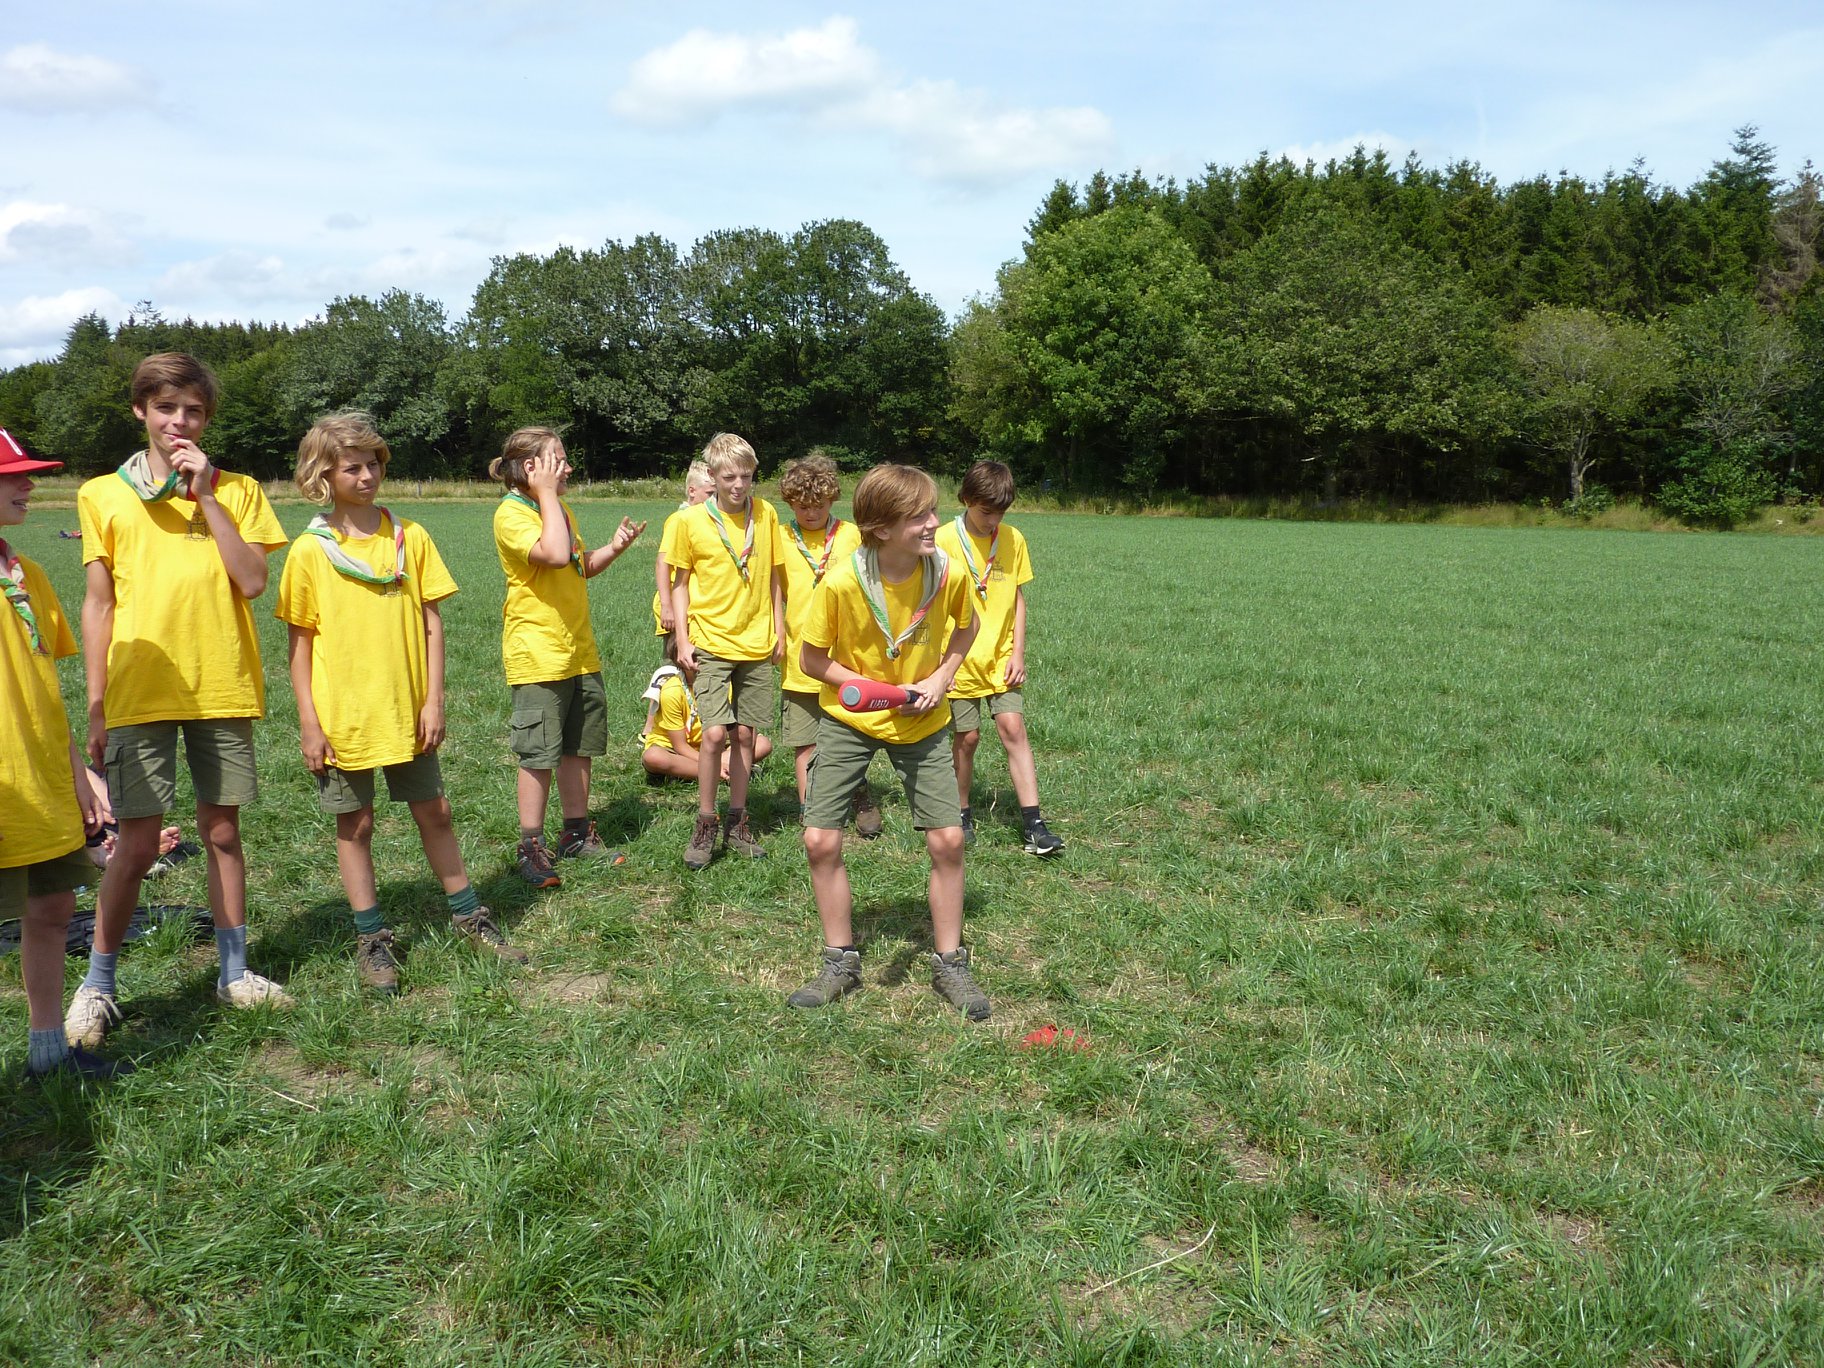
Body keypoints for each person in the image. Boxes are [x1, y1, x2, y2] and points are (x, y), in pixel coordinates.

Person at [67, 353, 292, 1052]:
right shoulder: (102, 495)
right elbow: (99, 605)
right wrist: (98, 704)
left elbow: (252, 581)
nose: (179, 422)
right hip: (140, 689)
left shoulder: (241, 490)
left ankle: (234, 973)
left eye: (193, 411)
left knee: (222, 831)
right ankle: (98, 985)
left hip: (220, 682)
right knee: (135, 842)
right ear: (141, 411)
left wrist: (208, 499)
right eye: (167, 409)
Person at [278, 413, 525, 993]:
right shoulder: (309, 553)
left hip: (408, 708)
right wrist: (310, 725)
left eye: (374, 465)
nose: (366, 476)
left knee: (434, 811)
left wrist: (433, 700)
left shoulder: (409, 537)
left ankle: (468, 915)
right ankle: (372, 939)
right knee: (356, 822)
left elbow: (433, 626)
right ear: (323, 475)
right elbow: (300, 647)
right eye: (352, 467)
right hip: (345, 718)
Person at [787, 463, 991, 1021]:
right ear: (880, 528)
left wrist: (941, 678)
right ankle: (840, 962)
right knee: (821, 841)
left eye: (931, 511)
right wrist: (861, 688)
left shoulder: (944, 571)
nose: (934, 523)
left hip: (922, 720)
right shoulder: (842, 582)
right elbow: (811, 659)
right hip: (852, 720)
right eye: (920, 516)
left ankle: (951, 963)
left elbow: (967, 628)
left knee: (949, 840)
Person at [0, 429, 130, 1080]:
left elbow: (46, 692)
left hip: (43, 781)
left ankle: (48, 1054)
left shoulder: (28, 574)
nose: (28, 485)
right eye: (13, 475)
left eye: (30, 473)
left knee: (52, 910)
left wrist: (81, 779)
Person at [492, 427, 645, 886]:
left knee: (579, 748)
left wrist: (614, 549)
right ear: (531, 469)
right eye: (558, 460)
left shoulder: (559, 510)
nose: (569, 468)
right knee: (539, 754)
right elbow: (555, 555)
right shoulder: (512, 514)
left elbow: (579, 565)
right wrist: (544, 495)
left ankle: (576, 835)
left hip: (578, 652)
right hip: (538, 655)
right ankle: (531, 846)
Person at [664, 433, 783, 869]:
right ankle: (706, 820)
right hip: (710, 640)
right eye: (729, 477)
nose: (739, 485)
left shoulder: (766, 513)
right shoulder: (689, 522)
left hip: (755, 641)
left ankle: (738, 820)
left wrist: (780, 629)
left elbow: (773, 576)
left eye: (747, 476)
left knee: (746, 735)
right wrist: (683, 638)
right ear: (712, 477)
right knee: (714, 734)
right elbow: (679, 583)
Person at [935, 460, 1064, 856]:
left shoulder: (1013, 540)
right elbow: (930, 603)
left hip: (1002, 658)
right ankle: (961, 812)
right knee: (967, 738)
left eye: (1001, 512)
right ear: (966, 500)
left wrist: (1018, 652)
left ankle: (1034, 825)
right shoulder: (941, 541)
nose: (993, 520)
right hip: (958, 660)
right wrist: (941, 667)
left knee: (1013, 729)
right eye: (985, 511)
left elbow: (1018, 600)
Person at [774, 453, 881, 835]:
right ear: (789, 503)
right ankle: (810, 814)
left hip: (846, 658)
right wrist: (775, 632)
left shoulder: (852, 535)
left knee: (850, 734)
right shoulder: (781, 536)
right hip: (801, 657)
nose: (810, 513)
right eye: (802, 507)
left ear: (832, 499)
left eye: (818, 506)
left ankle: (859, 794)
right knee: (805, 742)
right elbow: (772, 588)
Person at [638, 664, 773, 782]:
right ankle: (725, 772)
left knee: (763, 744)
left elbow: (749, 731)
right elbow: (680, 746)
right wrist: (717, 764)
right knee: (653, 757)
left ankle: (690, 772)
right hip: (675, 749)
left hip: (716, 746)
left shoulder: (726, 684)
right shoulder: (672, 690)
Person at [652, 460, 714, 662]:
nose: (714, 499)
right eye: (710, 494)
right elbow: (663, 564)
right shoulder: (680, 519)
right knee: (682, 662)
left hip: (693, 603)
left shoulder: (706, 520)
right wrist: (666, 605)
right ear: (692, 491)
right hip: (676, 605)